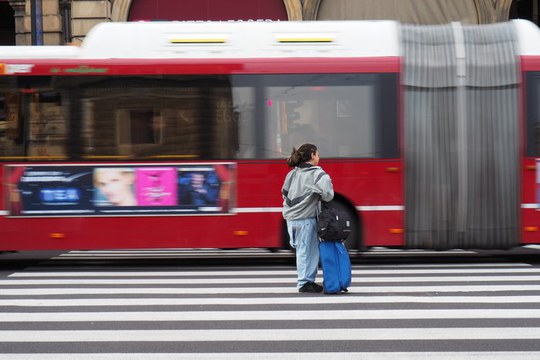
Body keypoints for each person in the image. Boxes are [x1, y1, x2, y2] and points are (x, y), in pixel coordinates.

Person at [281, 143, 334, 293]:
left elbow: (284, 193)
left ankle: (305, 280)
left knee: (301, 250)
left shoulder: (292, 173)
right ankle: (304, 282)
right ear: (312, 155)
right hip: (306, 218)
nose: (318, 157)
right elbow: (328, 195)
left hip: (291, 218)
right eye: (317, 154)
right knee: (308, 251)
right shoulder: (317, 173)